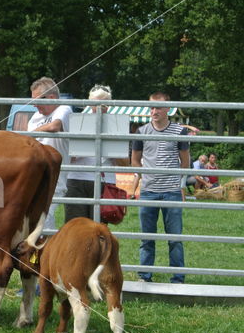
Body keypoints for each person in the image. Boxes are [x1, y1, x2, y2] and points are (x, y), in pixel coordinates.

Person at [131, 91, 190, 283]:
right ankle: (145, 276)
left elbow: (185, 162)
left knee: (175, 238)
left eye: (158, 107)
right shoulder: (141, 131)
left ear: (168, 109)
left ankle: (178, 278)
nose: (154, 111)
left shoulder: (180, 131)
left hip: (171, 191)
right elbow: (135, 160)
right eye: (152, 107)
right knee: (147, 238)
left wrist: (179, 185)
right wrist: (142, 179)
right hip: (148, 191)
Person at [65, 84, 121, 222]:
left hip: (104, 180)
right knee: (75, 224)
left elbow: (125, 163)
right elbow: (69, 158)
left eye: (104, 104)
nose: (100, 107)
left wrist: (114, 150)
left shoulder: (117, 124)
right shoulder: (78, 122)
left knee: (99, 226)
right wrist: (79, 149)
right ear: (90, 104)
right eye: (96, 103)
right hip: (77, 178)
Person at [27, 76, 71, 230]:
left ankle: (46, 250)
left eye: (37, 100)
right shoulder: (35, 117)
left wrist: (29, 134)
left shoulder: (63, 109)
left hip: (55, 175)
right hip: (34, 172)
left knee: (46, 215)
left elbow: (55, 126)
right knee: (33, 214)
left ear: (51, 97)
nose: (34, 105)